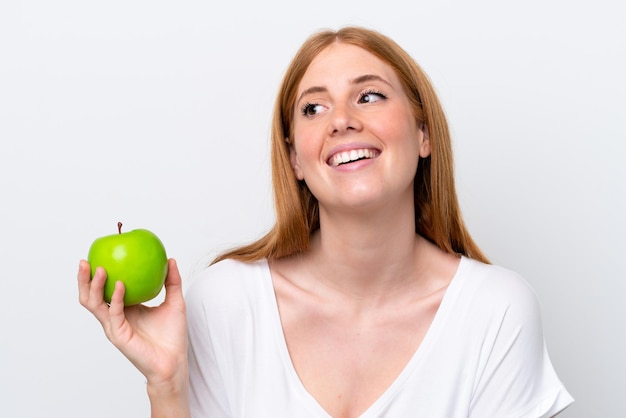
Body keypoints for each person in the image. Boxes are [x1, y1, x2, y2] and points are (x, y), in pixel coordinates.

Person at [78, 26, 573, 417]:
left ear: (424, 134)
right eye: (313, 107)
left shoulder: (495, 312)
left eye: (370, 96)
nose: (340, 120)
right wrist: (167, 387)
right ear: (295, 159)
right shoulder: (224, 304)